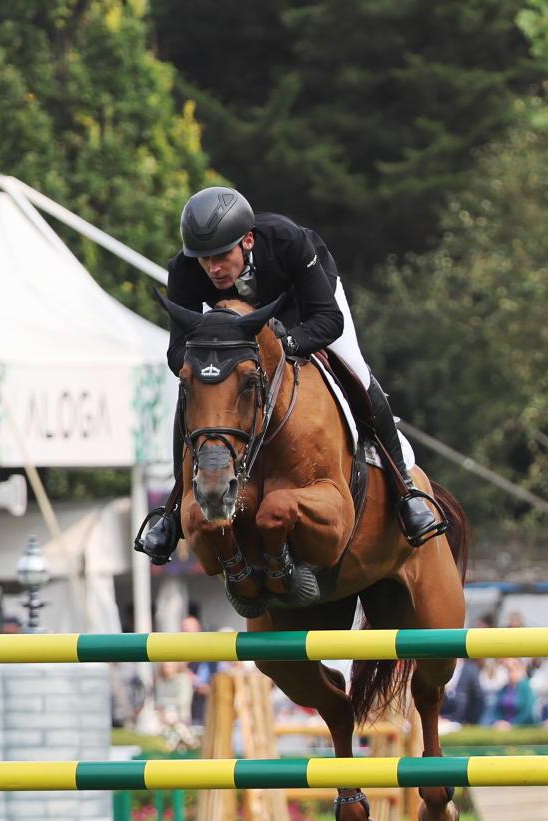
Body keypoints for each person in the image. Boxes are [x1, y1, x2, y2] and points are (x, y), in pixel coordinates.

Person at [137, 186, 445, 565]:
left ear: (248, 241)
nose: (213, 268)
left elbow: (328, 320)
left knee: (357, 374)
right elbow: (176, 353)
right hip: (241, 337)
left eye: (221, 256)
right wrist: (209, 365)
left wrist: (287, 343)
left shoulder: (289, 242)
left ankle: (406, 490)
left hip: (307, 310)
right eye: (204, 259)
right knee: (195, 392)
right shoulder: (185, 270)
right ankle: (172, 510)